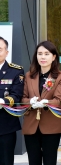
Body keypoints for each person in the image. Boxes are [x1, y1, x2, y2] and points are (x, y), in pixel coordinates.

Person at [22, 41, 61, 165]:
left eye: (47, 54)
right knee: (33, 161)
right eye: (40, 53)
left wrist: (46, 103)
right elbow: (23, 98)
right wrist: (30, 102)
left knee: (50, 161)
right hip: (31, 126)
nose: (43, 57)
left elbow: (59, 99)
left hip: (51, 125)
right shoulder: (29, 75)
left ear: (53, 57)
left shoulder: (60, 76)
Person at [0, 36, 24, 165]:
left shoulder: (15, 71)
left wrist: (3, 101)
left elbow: (17, 95)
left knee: (6, 161)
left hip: (5, 125)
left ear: (6, 52)